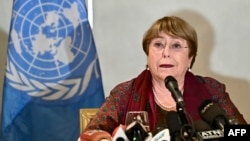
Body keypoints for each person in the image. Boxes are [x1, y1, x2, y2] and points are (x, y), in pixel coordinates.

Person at [79, 16, 247, 141]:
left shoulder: (212, 89)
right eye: (158, 45)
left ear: (190, 58)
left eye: (176, 46)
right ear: (148, 54)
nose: (166, 53)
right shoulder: (125, 93)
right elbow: (91, 132)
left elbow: (241, 131)